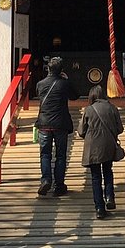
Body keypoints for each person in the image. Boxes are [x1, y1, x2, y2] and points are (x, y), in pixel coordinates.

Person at [78, 84, 123, 219]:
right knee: (108, 172)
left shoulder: (88, 110)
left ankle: (99, 208)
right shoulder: (112, 108)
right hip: (108, 145)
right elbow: (120, 128)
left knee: (96, 177)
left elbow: (81, 131)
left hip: (93, 147)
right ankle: (109, 196)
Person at [35, 56, 77, 196]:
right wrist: (66, 79)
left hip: (44, 123)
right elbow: (75, 95)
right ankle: (59, 185)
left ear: (48, 69)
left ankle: (46, 179)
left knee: (45, 154)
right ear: (61, 70)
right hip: (60, 123)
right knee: (60, 155)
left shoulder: (40, 84)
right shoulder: (63, 83)